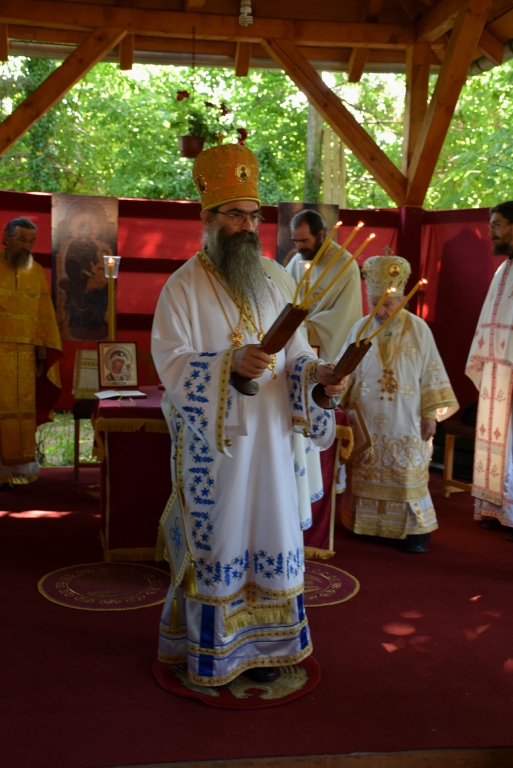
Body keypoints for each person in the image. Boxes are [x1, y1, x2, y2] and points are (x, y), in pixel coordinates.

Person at [152, 143, 344, 688]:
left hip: (275, 444)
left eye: (253, 215)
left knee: (274, 536)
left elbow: (297, 356)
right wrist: (227, 365)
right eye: (234, 214)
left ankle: (272, 648)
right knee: (223, 544)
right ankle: (213, 652)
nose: (247, 226)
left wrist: (319, 375)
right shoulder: (182, 287)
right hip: (221, 453)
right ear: (207, 217)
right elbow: (171, 363)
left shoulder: (275, 278)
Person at [339, 254, 458, 553]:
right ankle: (367, 527)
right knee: (365, 470)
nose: (381, 311)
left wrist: (431, 414)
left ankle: (413, 534)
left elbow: (432, 372)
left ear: (402, 300)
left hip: (407, 419)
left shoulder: (418, 329)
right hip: (366, 419)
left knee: (406, 473)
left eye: (388, 304)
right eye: (376, 303)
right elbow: (344, 371)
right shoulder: (360, 328)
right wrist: (336, 400)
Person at [0, 217, 62, 488]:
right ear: (6, 238)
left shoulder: (35, 271)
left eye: (32, 241)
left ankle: (14, 471)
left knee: (19, 413)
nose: (27, 246)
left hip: (23, 358)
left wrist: (41, 358)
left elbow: (42, 317)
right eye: (22, 239)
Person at [466, 201, 513, 539]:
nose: (490, 231)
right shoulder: (502, 270)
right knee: (495, 441)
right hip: (497, 371)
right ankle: (495, 508)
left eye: (497, 224)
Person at [285, 209, 362, 361]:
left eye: (304, 241)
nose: (299, 246)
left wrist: (306, 327)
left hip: (325, 344)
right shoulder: (298, 259)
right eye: (295, 241)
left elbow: (343, 316)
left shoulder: (344, 264)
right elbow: (284, 292)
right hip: (296, 341)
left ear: (320, 235)